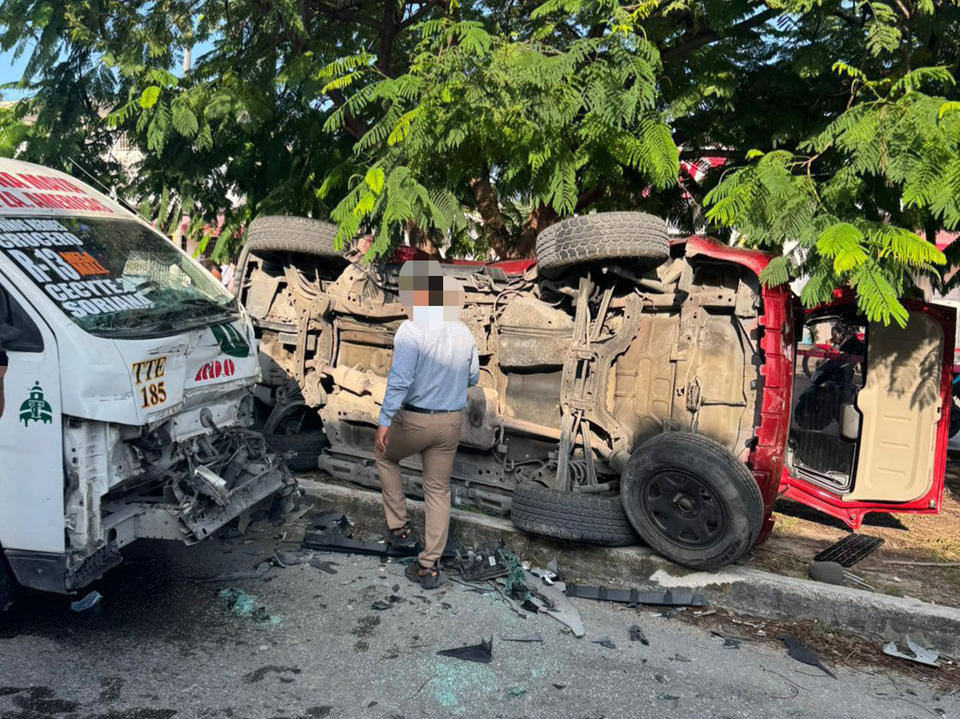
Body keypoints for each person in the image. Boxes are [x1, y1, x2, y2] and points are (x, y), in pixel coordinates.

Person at [374, 260, 478, 588]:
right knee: (437, 489)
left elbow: (400, 380)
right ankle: (429, 566)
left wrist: (384, 420)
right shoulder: (462, 329)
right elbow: (473, 376)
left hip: (416, 420)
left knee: (384, 456)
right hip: (450, 423)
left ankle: (400, 529)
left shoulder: (412, 329)